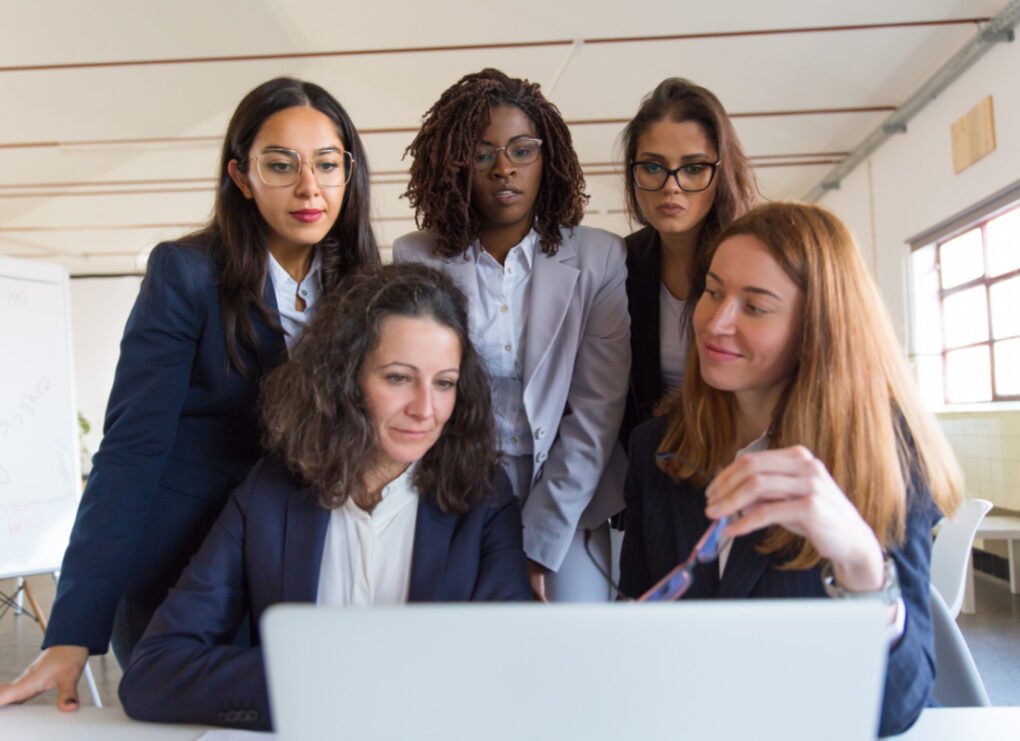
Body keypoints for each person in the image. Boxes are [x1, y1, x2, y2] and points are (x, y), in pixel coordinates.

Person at [0, 76, 379, 710]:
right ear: (241, 174)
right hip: (181, 575)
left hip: (306, 569)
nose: (308, 187)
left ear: (349, 171)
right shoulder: (188, 274)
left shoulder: (367, 286)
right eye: (280, 165)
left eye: (326, 164)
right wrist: (72, 632)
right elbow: (129, 454)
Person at [118, 263, 531, 730]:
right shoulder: (270, 494)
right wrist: (320, 681)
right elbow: (152, 673)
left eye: (444, 383)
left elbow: (510, 671)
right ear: (346, 376)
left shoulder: (484, 497)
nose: (424, 409)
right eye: (398, 378)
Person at [619, 202, 963, 737]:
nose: (715, 322)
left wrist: (859, 560)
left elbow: (896, 710)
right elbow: (639, 628)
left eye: (755, 307)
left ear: (816, 331)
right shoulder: (655, 448)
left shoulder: (883, 458)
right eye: (712, 291)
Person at [394, 68, 630, 602]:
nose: (504, 168)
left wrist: (538, 541)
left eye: (522, 150)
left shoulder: (599, 258)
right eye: (482, 155)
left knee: (575, 642)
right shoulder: (415, 257)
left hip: (570, 484)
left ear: (548, 159)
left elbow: (596, 411)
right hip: (458, 481)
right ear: (456, 166)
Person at [619, 78, 757, 447]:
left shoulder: (759, 260)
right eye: (653, 167)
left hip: (748, 455)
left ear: (721, 172)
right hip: (657, 466)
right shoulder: (620, 264)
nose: (671, 186)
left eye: (693, 168)